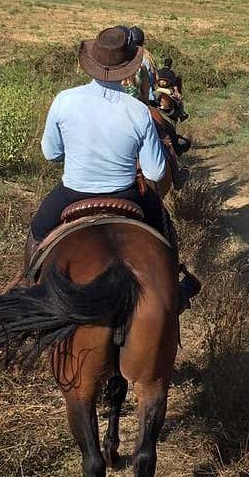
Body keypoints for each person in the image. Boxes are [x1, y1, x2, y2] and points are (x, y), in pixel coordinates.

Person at [31, 24, 200, 307]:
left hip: (72, 193)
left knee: (37, 232)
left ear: (90, 63)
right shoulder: (139, 111)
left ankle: (30, 285)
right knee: (165, 232)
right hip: (127, 196)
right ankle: (174, 291)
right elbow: (156, 172)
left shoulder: (64, 100)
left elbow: (50, 153)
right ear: (127, 68)